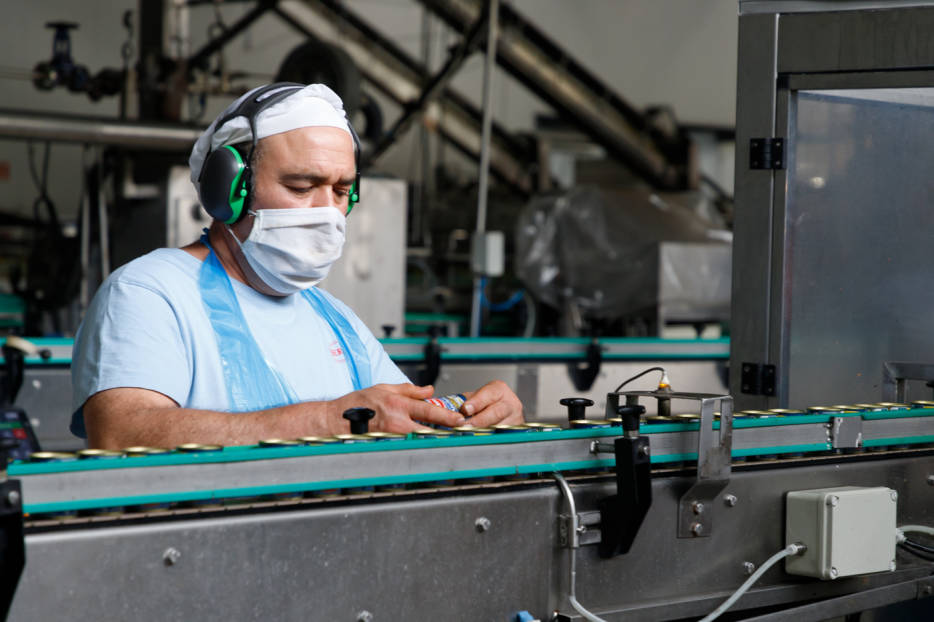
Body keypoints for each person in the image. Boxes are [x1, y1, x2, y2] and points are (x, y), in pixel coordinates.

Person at [71, 82, 523, 449]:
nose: (327, 212)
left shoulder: (334, 319)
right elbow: (120, 435)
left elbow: (401, 422)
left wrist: (472, 417)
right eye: (302, 186)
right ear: (230, 190)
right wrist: (331, 420)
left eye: (341, 191)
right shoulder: (149, 293)